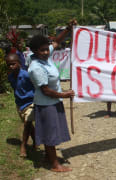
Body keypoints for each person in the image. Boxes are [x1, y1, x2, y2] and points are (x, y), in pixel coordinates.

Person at [28, 19, 77, 172]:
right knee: (50, 133)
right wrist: (65, 94)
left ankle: (49, 157)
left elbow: (56, 42)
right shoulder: (36, 67)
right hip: (46, 104)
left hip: (53, 102)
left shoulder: (45, 57)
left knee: (53, 131)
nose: (46, 52)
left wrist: (68, 29)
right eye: (42, 50)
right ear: (35, 51)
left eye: (46, 49)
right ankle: (55, 165)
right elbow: (46, 91)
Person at [5, 53, 36, 157]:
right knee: (29, 126)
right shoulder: (10, 77)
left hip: (30, 103)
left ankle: (23, 146)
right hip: (20, 104)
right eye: (9, 65)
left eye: (13, 64)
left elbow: (35, 86)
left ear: (19, 63)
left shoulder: (27, 75)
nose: (11, 67)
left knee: (27, 123)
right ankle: (36, 142)